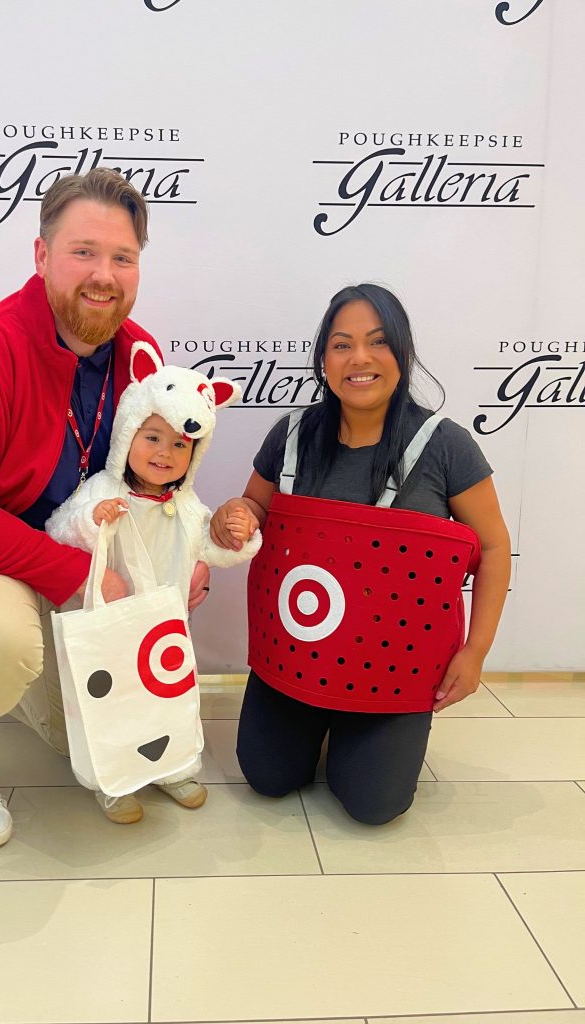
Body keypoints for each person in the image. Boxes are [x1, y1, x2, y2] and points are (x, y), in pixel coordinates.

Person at [0, 169, 210, 851]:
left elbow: (155, 480)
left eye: (122, 257)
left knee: (76, 730)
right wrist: (73, 575)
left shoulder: (141, 356)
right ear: (42, 255)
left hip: (58, 542)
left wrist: (186, 553)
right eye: (83, 252)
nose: (103, 275)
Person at [210, 284, 511, 825]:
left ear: (402, 352)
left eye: (377, 342)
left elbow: (492, 546)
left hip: (395, 668)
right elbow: (256, 505)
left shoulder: (446, 445)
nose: (360, 359)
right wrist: (236, 512)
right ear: (324, 359)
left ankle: (357, 731)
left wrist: (476, 650)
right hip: (297, 654)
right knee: (268, 777)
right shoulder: (292, 435)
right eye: (342, 345)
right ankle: (322, 723)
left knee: (375, 805)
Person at [48, 344, 261, 823]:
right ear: (127, 434)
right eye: (152, 437)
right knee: (112, 703)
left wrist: (237, 535)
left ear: (195, 453)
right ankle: (113, 779)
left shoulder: (185, 505)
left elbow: (212, 546)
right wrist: (92, 518)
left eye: (180, 445)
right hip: (110, 628)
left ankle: (175, 766)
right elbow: (59, 529)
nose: (164, 453)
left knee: (170, 699)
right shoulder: (103, 489)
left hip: (165, 635)